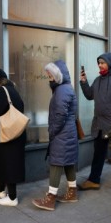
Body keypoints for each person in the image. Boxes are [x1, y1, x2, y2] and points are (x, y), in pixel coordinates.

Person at [78, 52, 111, 190]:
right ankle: (93, 180)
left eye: (103, 63)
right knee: (98, 153)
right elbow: (90, 95)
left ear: (110, 64)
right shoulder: (97, 80)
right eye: (99, 63)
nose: (100, 65)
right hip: (99, 123)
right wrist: (84, 83)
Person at [32, 60, 79, 211]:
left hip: (62, 133)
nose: (48, 77)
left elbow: (59, 115)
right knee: (68, 161)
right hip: (68, 131)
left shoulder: (61, 90)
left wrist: (52, 131)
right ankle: (72, 192)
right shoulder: (67, 88)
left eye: (50, 74)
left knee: (56, 162)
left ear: (57, 75)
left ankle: (50, 198)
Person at [0, 69, 26, 206]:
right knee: (2, 160)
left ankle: (12, 197)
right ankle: (0, 189)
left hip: (7, 133)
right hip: (13, 132)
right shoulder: (12, 89)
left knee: (8, 162)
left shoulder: (1, 91)